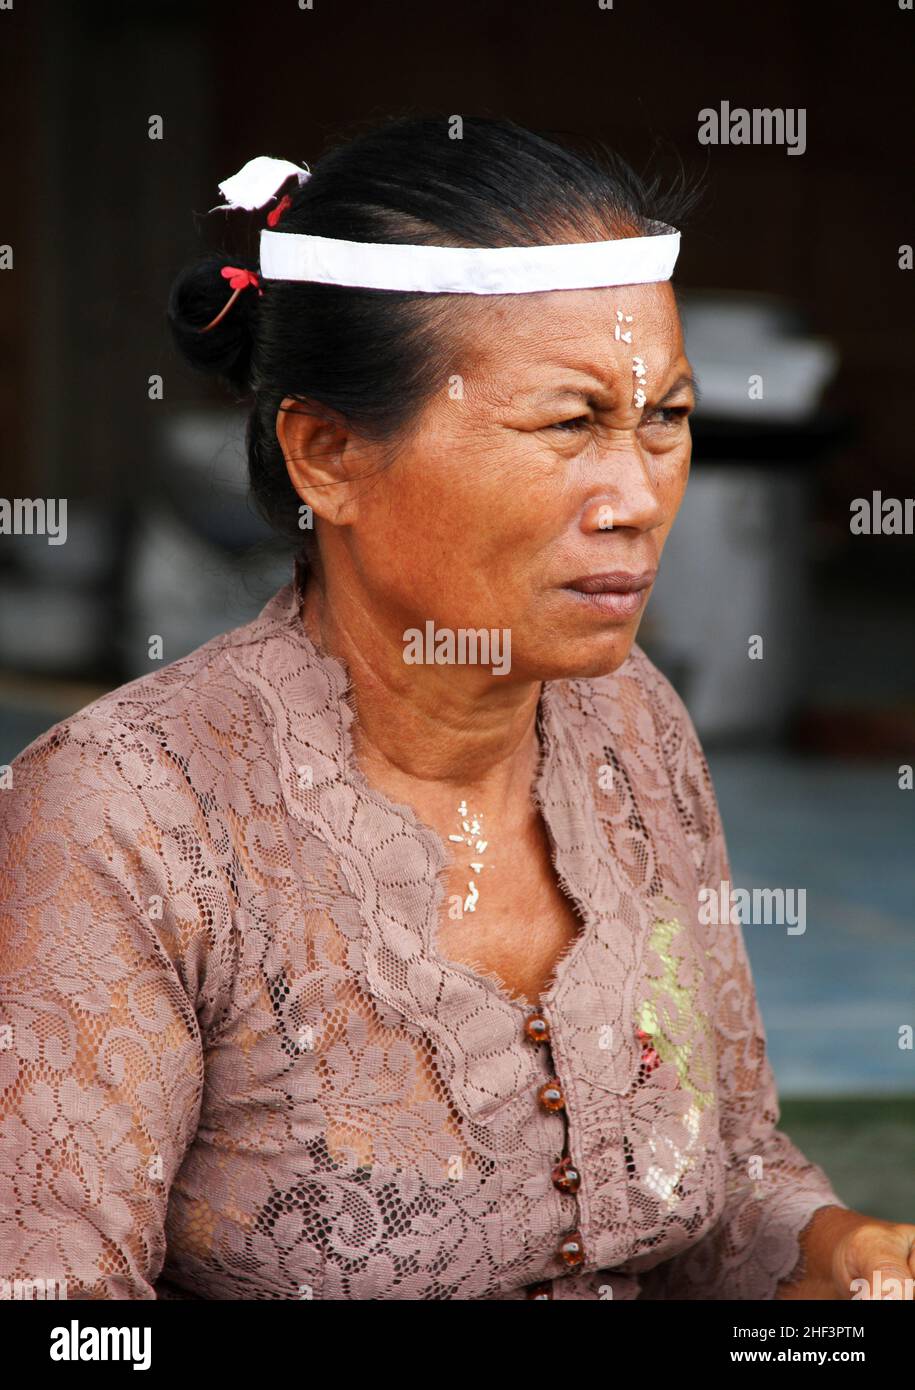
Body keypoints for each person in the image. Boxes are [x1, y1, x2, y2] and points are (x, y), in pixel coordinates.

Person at [1, 115, 911, 1301]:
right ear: (328, 453)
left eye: (667, 420)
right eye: (569, 423)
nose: (637, 495)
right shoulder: (128, 813)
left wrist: (831, 1254)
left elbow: (723, 1174)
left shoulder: (629, 725)